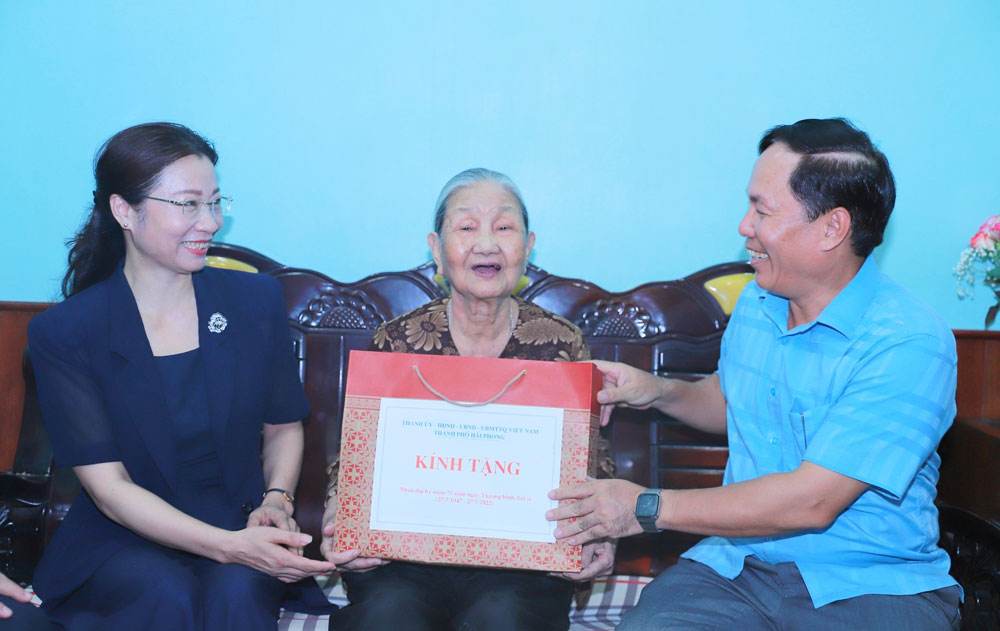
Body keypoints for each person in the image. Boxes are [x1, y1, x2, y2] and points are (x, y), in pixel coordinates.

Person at [547, 118, 962, 630]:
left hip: (869, 582)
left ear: (832, 228)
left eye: (762, 211)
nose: (745, 226)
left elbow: (814, 501)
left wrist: (644, 507)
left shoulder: (908, 341)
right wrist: (656, 391)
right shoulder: (757, 303)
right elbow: (731, 401)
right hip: (738, 568)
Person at [27, 122, 348, 630]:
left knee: (239, 591)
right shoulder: (68, 332)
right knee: (165, 592)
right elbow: (110, 490)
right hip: (124, 534)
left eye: (216, 203)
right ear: (124, 211)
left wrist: (276, 499)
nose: (211, 222)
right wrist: (228, 547)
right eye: (189, 205)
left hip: (238, 517)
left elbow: (284, 425)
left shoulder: (253, 302)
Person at [321, 168, 616, 631]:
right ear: (437, 251)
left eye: (504, 227)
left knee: (502, 619)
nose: (486, 243)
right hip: (405, 558)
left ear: (527, 247)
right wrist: (341, 516)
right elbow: (355, 458)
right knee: (389, 618)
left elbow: (591, 461)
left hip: (522, 565)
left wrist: (600, 536)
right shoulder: (397, 341)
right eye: (466, 227)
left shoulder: (560, 342)